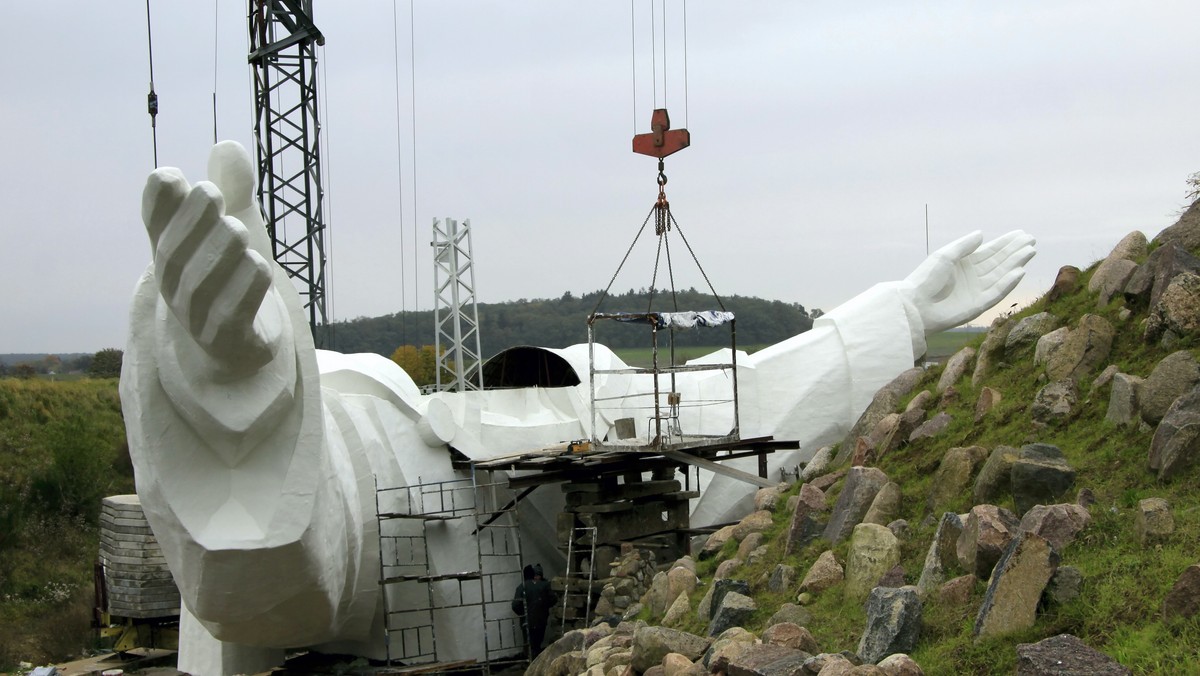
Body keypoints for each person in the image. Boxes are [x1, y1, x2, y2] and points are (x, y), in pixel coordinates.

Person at [122, 141, 1034, 674]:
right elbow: (291, 576)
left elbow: (736, 398)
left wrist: (899, 314)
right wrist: (243, 402)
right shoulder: (399, 438)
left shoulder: (583, 458)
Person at [512, 564, 555, 657]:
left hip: (526, 621)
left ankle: (528, 665)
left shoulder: (522, 586)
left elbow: (515, 605)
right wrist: (544, 607)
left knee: (528, 644)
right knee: (537, 644)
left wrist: (523, 614)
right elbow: (553, 599)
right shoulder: (545, 585)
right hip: (541, 620)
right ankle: (537, 666)